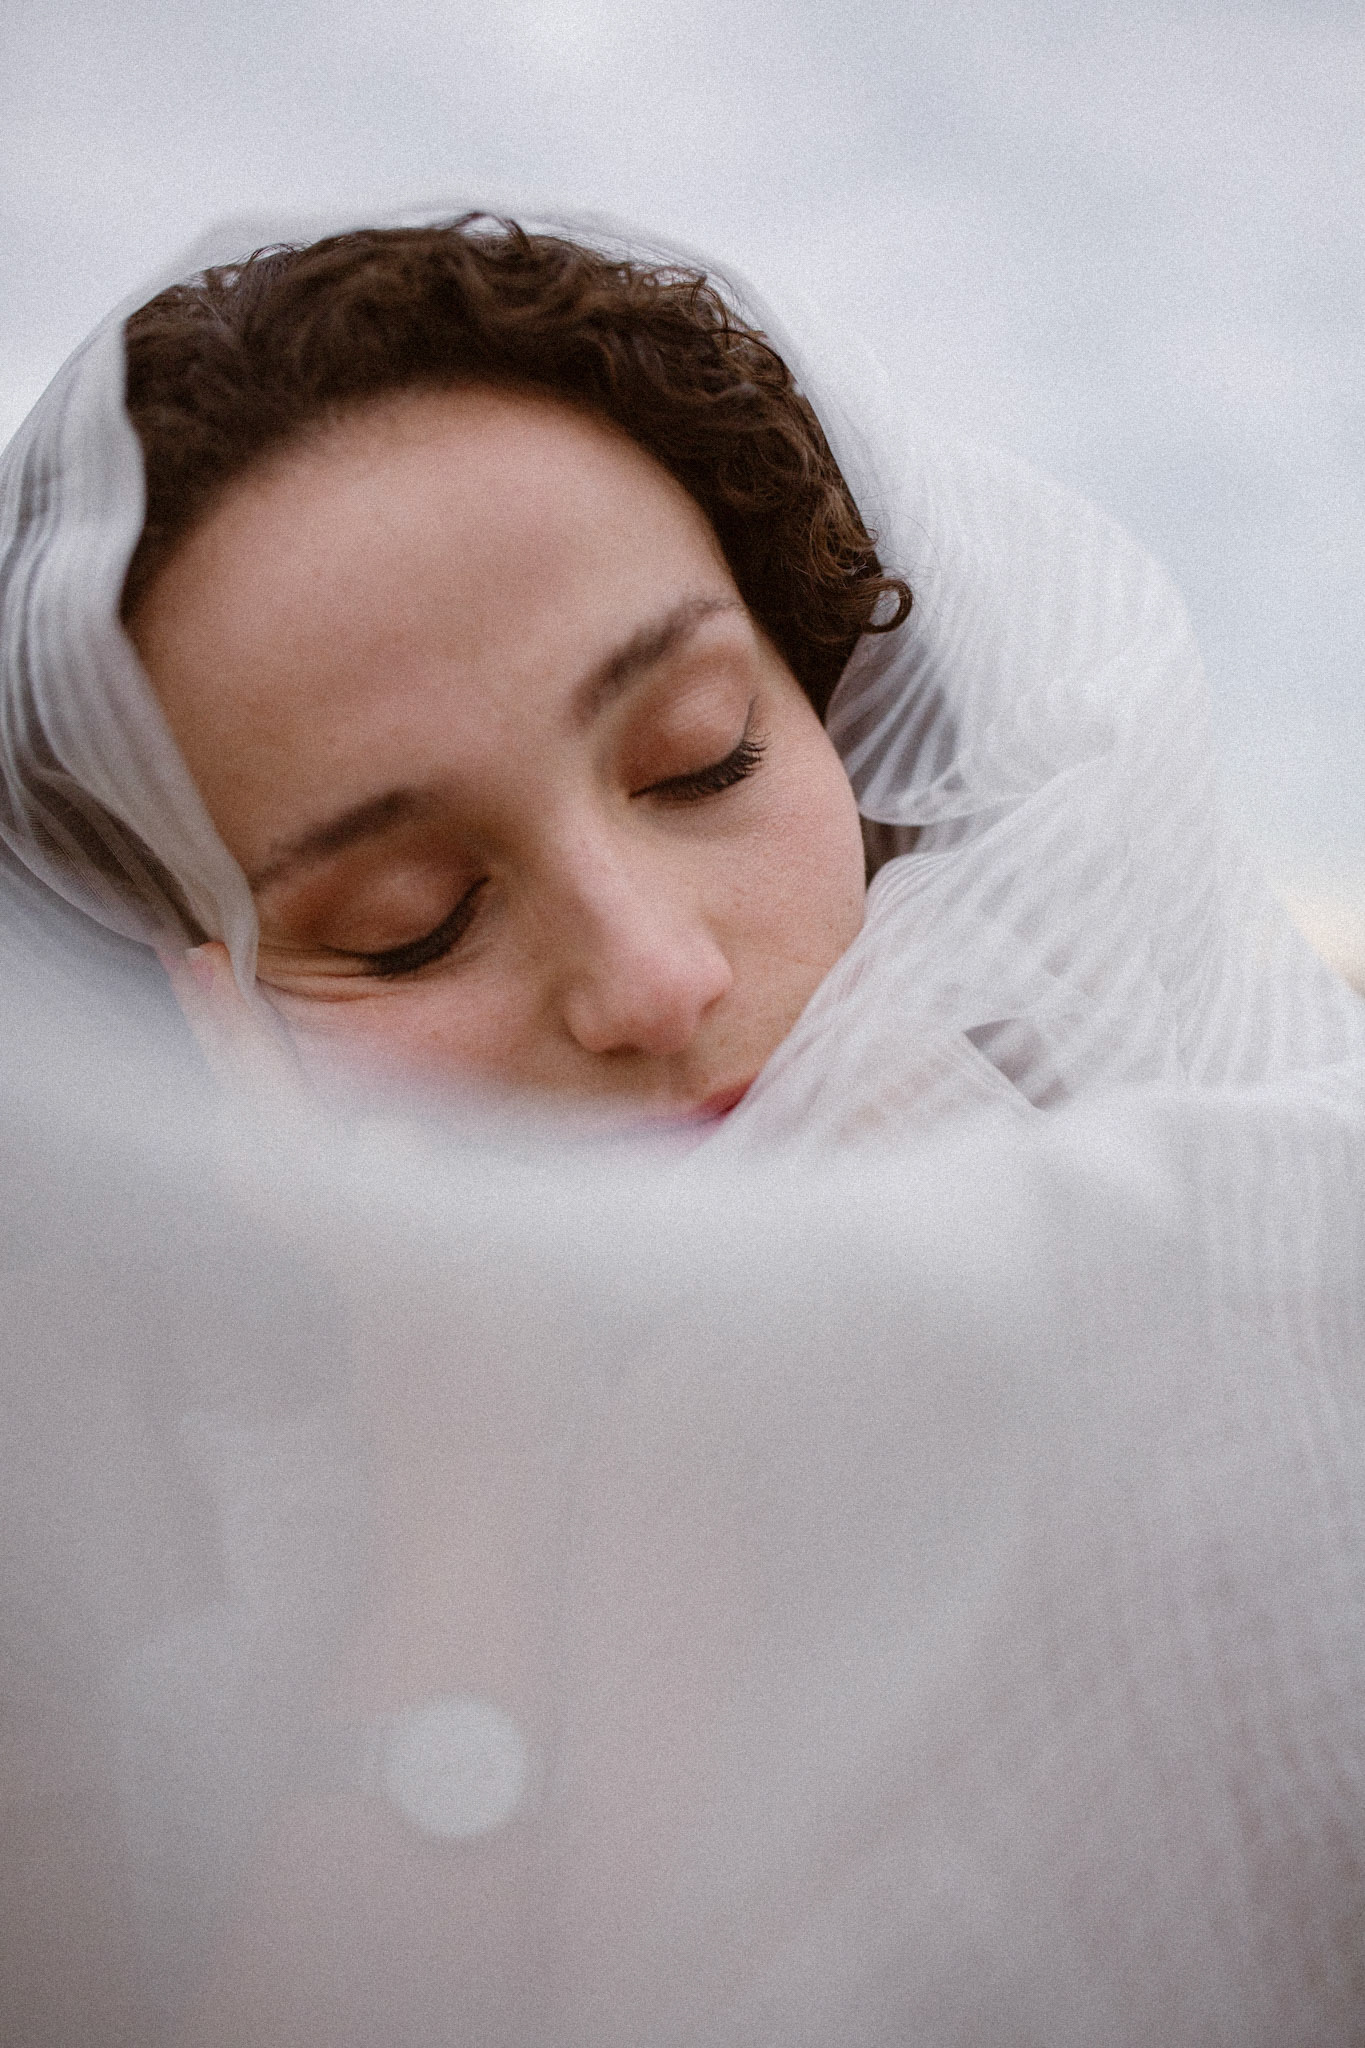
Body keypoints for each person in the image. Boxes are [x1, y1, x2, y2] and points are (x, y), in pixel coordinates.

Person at [2, 206, 1364, 2047]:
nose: (649, 977)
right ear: (201, 1036)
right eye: (408, 922)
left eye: (701, 756)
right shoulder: (119, 1648)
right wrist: (459, 1508)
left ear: (842, 723)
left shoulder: (1299, 1313)